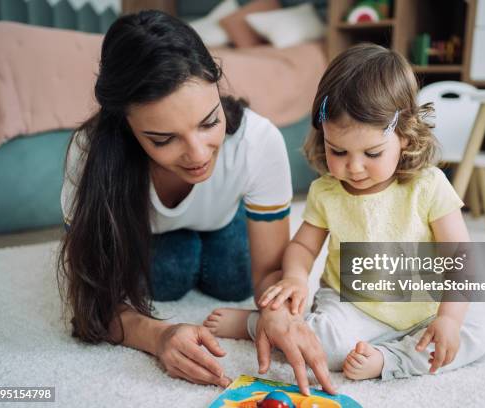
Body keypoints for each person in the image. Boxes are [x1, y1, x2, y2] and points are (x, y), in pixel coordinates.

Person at [57, 10, 335, 394]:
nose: (198, 154)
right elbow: (90, 302)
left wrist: (279, 316)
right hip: (151, 234)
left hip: (224, 221)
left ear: (217, 86)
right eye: (163, 139)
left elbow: (271, 278)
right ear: (126, 125)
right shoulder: (89, 157)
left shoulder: (258, 140)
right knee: (168, 277)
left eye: (209, 123)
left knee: (233, 277)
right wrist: (158, 336)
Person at [205, 44, 485, 380]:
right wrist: (296, 277)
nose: (353, 167)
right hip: (351, 305)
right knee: (321, 343)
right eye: (337, 150)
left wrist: (448, 320)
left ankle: (388, 361)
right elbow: (302, 247)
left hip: (423, 308)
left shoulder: (428, 185)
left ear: (405, 136)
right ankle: (257, 324)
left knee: (477, 335)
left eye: (372, 153)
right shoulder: (327, 191)